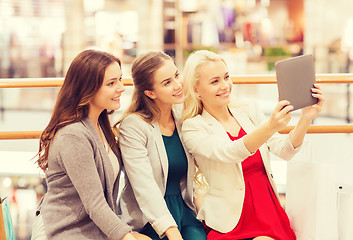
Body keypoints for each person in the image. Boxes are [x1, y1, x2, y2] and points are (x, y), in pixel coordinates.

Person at [181, 50, 324, 240]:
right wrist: (270, 126)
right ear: (196, 89)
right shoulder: (193, 127)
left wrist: (305, 119)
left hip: (268, 211)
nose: (225, 86)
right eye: (215, 81)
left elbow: (285, 151)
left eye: (226, 77)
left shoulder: (248, 110)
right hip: (229, 221)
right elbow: (230, 152)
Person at [31, 49, 150, 240]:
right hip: (66, 230)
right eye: (111, 83)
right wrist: (127, 237)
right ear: (88, 89)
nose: (121, 88)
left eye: (120, 79)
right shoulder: (73, 135)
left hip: (93, 228)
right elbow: (95, 204)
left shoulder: (100, 124)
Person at [115, 51, 206, 240]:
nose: (178, 84)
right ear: (150, 93)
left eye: (176, 75)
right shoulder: (134, 126)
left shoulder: (183, 117)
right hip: (148, 218)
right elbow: (144, 186)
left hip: (185, 211)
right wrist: (172, 233)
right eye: (167, 83)